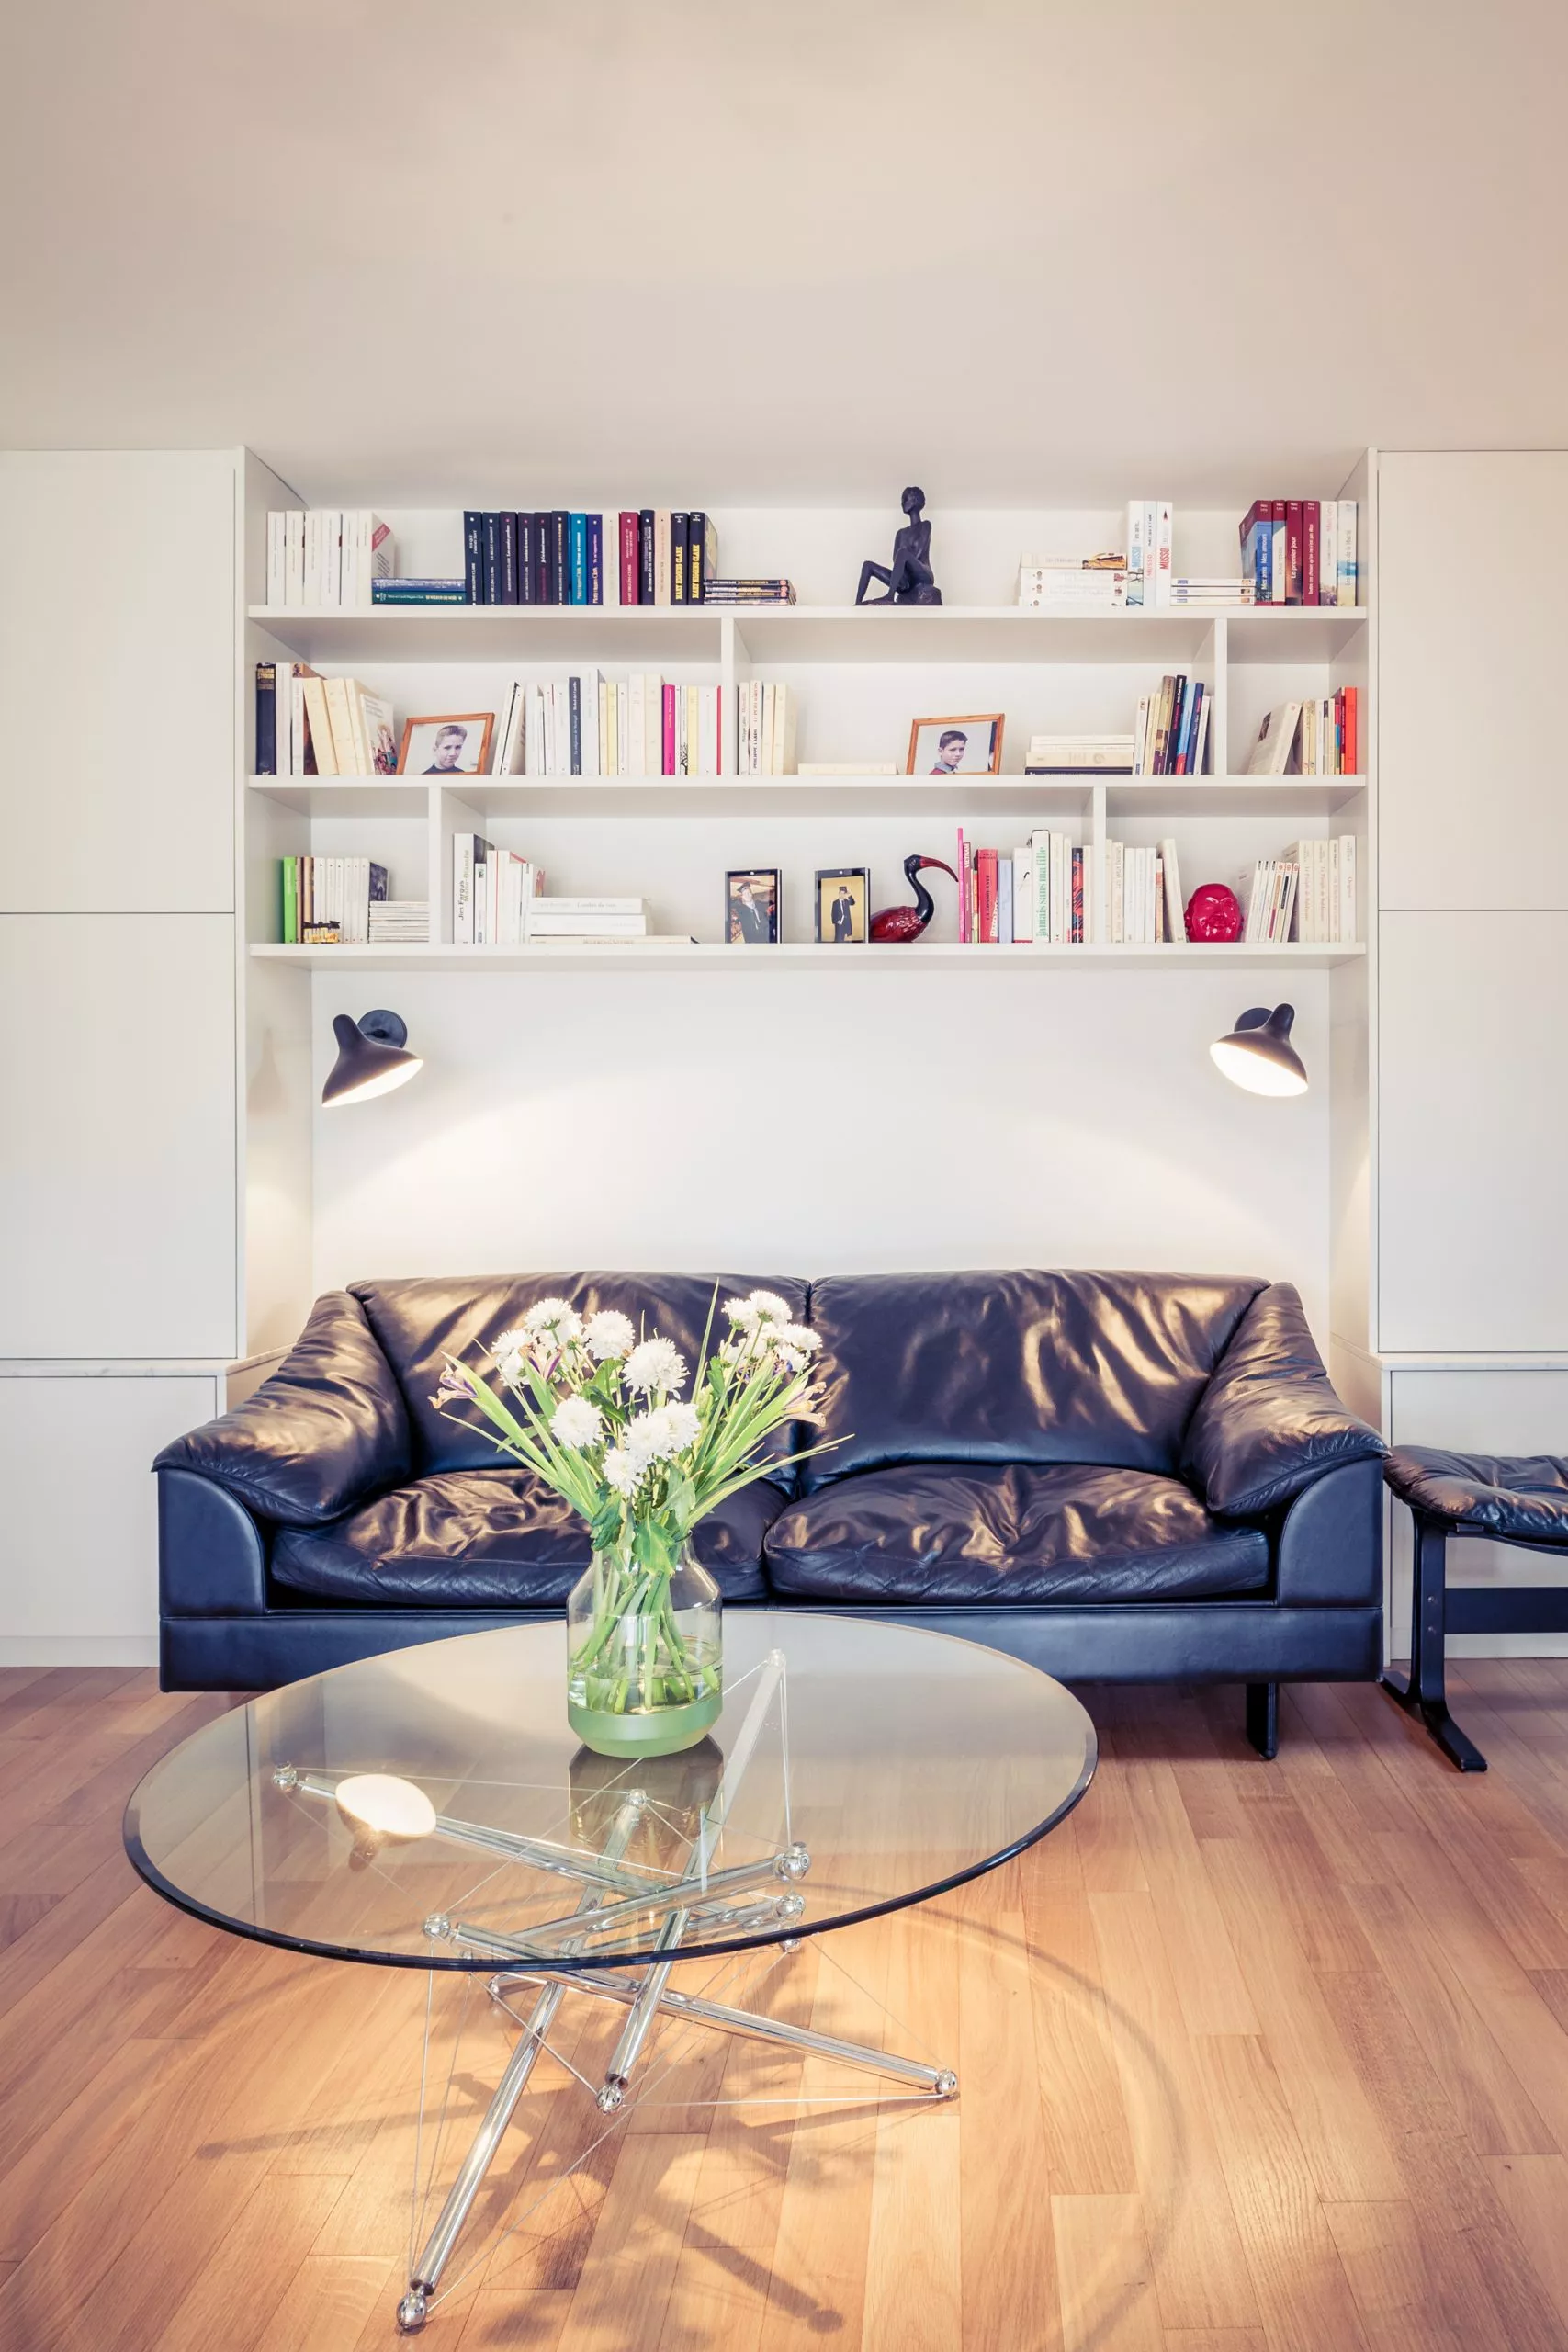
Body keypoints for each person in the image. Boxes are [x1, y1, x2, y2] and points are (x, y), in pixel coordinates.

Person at [734, 878, 773, 944]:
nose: (747, 895)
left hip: (765, 937)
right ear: (742, 897)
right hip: (752, 940)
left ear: (752, 894)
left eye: (749, 893)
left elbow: (770, 903)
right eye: (745, 894)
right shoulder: (741, 910)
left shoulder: (758, 904)